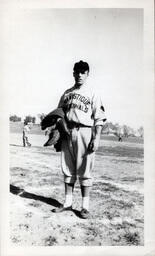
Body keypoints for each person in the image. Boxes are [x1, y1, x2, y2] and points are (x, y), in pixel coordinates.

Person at [52, 60, 106, 219]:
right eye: (78, 72)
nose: (80, 75)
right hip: (68, 132)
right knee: (67, 167)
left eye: (83, 72)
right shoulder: (67, 93)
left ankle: (84, 207)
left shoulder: (93, 93)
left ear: (88, 74)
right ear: (73, 73)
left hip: (85, 131)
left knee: (85, 169)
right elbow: (59, 113)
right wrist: (59, 126)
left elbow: (99, 118)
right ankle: (68, 203)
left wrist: (96, 138)